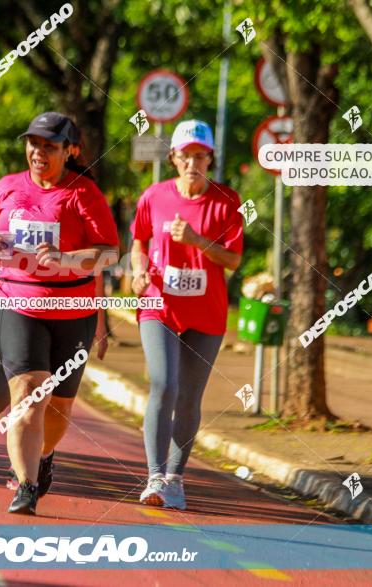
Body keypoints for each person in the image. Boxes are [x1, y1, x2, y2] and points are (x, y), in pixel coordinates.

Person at [0, 112, 119, 515]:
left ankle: (44, 455)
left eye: (49, 145)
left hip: (71, 310)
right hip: (15, 303)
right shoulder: (6, 188)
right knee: (24, 392)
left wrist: (66, 259)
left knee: (60, 403)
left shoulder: (84, 194)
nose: (38, 152)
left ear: (70, 151)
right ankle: (26, 485)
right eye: (33, 143)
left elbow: (109, 253)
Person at [129, 120, 243, 509]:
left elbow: (233, 259)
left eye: (200, 155)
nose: (192, 162)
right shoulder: (154, 196)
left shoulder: (227, 201)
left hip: (206, 311)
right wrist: (137, 270)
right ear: (174, 158)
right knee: (164, 384)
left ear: (210, 159)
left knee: (191, 396)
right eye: (185, 155)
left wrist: (197, 240)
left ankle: (176, 478)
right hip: (159, 304)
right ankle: (154, 476)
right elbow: (139, 240)